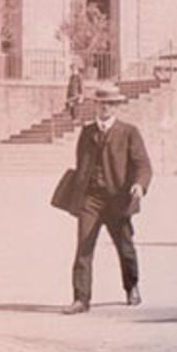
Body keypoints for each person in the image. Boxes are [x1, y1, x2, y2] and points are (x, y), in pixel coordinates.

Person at [61, 87, 153, 314]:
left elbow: (143, 165)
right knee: (83, 247)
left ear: (117, 107)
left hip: (118, 200)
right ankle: (81, 299)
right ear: (96, 105)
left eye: (111, 104)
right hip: (90, 200)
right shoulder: (87, 132)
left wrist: (139, 185)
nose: (105, 107)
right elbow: (82, 164)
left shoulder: (129, 132)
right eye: (102, 103)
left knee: (125, 248)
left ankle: (131, 287)